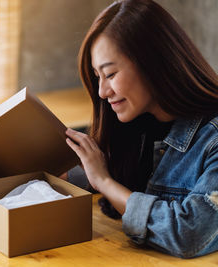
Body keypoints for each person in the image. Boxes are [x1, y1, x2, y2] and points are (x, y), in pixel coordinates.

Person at [63, 0, 218, 259]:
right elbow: (93, 172)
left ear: (154, 63)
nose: (102, 91)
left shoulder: (212, 138)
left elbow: (189, 233)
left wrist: (104, 182)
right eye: (97, 76)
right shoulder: (137, 125)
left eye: (110, 74)